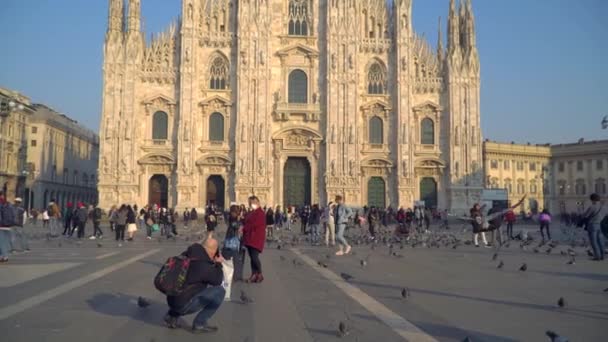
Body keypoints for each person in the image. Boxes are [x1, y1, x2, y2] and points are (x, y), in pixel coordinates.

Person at [164, 236, 225, 333]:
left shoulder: (187, 254)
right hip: (183, 305)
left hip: (171, 300)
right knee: (220, 291)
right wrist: (218, 264)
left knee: (186, 287)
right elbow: (218, 280)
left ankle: (172, 317)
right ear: (213, 251)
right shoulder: (204, 265)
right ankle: (199, 324)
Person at [242, 196, 266, 283]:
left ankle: (259, 273)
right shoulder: (252, 212)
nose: (250, 205)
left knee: (254, 257)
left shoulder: (260, 213)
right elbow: (247, 221)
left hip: (255, 238)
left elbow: (253, 224)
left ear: (257, 202)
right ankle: (254, 274)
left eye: (251, 203)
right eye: (249, 203)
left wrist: (243, 228)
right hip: (250, 238)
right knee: (252, 258)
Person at [581, 193, 605, 261]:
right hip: (599, 225)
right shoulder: (603, 207)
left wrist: (582, 214)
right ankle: (602, 255)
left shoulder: (592, 207)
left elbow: (585, 216)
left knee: (594, 242)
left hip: (592, 225)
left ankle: (597, 256)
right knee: (600, 241)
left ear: (593, 199)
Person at [0, 194, 16, 262]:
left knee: (1, 242)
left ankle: (4, 256)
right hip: (8, 226)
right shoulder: (9, 204)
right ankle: (4, 256)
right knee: (5, 242)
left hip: (1, 226)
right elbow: (13, 214)